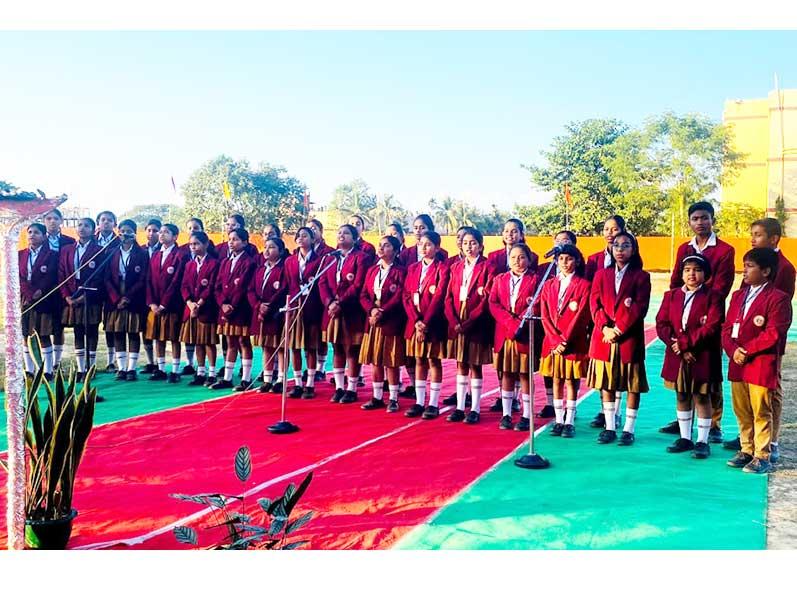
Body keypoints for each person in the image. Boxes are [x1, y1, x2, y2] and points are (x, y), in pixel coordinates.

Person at [661, 201, 735, 442]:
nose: (700, 222)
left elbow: (722, 286)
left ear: (712, 219)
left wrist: (701, 302)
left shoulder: (724, 250)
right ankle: (686, 422)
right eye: (695, 218)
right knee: (683, 381)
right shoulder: (684, 247)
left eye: (704, 218)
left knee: (708, 378)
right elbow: (675, 280)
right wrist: (680, 305)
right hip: (683, 319)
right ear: (690, 221)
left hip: (707, 317)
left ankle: (713, 424)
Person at [724, 218, 797, 460]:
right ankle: (747, 446)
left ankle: (767, 447)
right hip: (739, 354)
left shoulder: (783, 269)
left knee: (764, 402)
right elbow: (730, 324)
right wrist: (733, 349)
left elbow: (777, 322)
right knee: (743, 407)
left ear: (773, 238)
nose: (752, 238)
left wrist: (748, 348)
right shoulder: (740, 293)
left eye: (757, 234)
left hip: (763, 351)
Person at [656, 255, 724, 459]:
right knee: (682, 394)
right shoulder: (671, 296)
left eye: (696, 269)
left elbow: (711, 326)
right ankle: (685, 437)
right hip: (677, 356)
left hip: (701, 355)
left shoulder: (714, 297)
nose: (691, 274)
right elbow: (662, 324)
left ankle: (702, 440)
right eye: (687, 270)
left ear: (705, 274)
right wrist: (676, 346)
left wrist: (686, 345)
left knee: (701, 396)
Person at [587, 231, 651, 445]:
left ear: (634, 250)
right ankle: (610, 427)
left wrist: (619, 329)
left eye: (625, 245)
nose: (620, 250)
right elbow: (594, 305)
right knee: (607, 384)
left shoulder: (641, 276)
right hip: (603, 339)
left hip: (628, 339)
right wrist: (605, 328)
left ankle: (628, 429)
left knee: (632, 384)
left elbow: (640, 307)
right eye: (616, 245)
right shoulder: (600, 275)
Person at [539, 244, 591, 438]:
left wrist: (565, 341)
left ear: (576, 261)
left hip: (573, 343)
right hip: (552, 344)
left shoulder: (584, 285)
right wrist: (554, 340)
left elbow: (582, 316)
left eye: (569, 259)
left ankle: (569, 420)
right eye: (561, 259)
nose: (564, 263)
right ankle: (559, 420)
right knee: (556, 379)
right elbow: (544, 315)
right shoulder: (549, 284)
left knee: (571, 380)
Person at [443, 227, 494, 424]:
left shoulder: (488, 267)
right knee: (460, 364)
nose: (469, 247)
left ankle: (475, 408)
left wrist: (469, 321)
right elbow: (448, 297)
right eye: (465, 243)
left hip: (476, 322)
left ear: (481, 246)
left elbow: (486, 298)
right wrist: (454, 321)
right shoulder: (456, 267)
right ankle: (459, 406)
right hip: (456, 319)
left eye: (473, 243)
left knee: (475, 364)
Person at [488, 243, 539, 431]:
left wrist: (519, 323)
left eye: (522, 257)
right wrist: (510, 322)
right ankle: (507, 414)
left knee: (525, 374)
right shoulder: (500, 279)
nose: (517, 261)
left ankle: (526, 416)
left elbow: (537, 302)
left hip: (524, 334)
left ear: (529, 259)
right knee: (507, 373)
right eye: (513, 257)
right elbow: (493, 303)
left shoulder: (535, 280)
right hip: (504, 333)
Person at [402, 230, 450, 419]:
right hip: (414, 323)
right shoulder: (413, 268)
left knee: (433, 360)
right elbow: (406, 295)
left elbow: (439, 297)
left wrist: (426, 322)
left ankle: (433, 403)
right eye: (421, 243)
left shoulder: (442, 269)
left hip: (433, 323)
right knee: (419, 359)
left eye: (428, 244)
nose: (424, 247)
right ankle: (419, 401)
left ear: (437, 247)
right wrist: (416, 321)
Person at [319, 225, 370, 403]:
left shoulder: (361, 258)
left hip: (351, 311)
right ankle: (339, 387)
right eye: (339, 232)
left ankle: (352, 388)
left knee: (351, 349)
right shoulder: (330, 258)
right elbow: (322, 283)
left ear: (355, 238)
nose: (341, 235)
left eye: (346, 233)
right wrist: (330, 303)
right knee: (337, 348)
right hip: (333, 312)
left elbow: (358, 284)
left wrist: (340, 302)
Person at [359, 235, 408, 412]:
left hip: (390, 321)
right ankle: (377, 397)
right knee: (375, 361)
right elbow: (363, 294)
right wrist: (371, 310)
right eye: (380, 245)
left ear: (395, 251)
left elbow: (400, 295)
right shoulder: (372, 270)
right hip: (372, 321)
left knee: (391, 360)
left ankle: (394, 398)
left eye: (386, 246)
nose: (381, 248)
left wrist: (382, 311)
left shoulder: (401, 272)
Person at [535, 230, 578, 419]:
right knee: (550, 371)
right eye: (558, 241)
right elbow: (543, 308)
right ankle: (552, 405)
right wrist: (553, 338)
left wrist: (564, 339)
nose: (561, 244)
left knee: (569, 375)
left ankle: (570, 412)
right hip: (548, 332)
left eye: (566, 241)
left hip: (571, 335)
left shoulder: (581, 277)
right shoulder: (545, 272)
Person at [58, 217, 104, 382]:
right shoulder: (67, 249)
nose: (82, 228)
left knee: (91, 330)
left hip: (90, 297)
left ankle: (91, 367)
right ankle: (81, 368)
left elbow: (100, 277)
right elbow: (61, 274)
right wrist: (67, 296)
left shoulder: (99, 250)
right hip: (71, 296)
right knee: (78, 331)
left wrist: (84, 297)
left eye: (87, 226)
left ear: (93, 230)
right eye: (80, 225)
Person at [211, 228, 257, 391]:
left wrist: (232, 306)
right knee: (230, 341)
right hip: (225, 309)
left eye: (236, 239)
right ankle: (227, 378)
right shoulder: (225, 262)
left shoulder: (249, 262)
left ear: (245, 242)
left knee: (243, 342)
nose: (231, 242)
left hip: (241, 309)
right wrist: (223, 304)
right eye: (230, 239)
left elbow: (244, 287)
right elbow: (216, 286)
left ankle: (246, 378)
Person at [103, 219, 149, 381]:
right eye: (122, 231)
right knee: (118, 332)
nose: (124, 234)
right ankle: (121, 368)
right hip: (114, 298)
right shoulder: (111, 251)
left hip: (133, 298)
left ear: (135, 233)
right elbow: (106, 278)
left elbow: (143, 278)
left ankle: (131, 368)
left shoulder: (142, 253)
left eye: (128, 231)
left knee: (133, 333)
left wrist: (127, 297)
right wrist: (116, 298)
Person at [284, 227, 324, 398]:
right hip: (294, 307)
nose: (301, 238)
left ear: (313, 239)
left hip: (312, 307)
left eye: (305, 235)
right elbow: (288, 284)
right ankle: (298, 383)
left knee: (310, 347)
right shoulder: (290, 261)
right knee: (294, 346)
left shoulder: (320, 261)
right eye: (298, 236)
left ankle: (310, 384)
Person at [145, 223, 188, 383]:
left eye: (166, 232)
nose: (161, 235)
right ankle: (161, 369)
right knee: (158, 337)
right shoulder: (155, 255)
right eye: (160, 232)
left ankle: (175, 370)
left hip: (172, 306)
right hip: (155, 306)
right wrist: (152, 304)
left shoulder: (181, 255)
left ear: (175, 236)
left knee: (174, 338)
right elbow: (148, 279)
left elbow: (177, 282)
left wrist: (164, 304)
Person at [180, 231, 221, 387]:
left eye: (196, 244)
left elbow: (211, 286)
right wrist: (190, 303)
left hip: (207, 309)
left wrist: (200, 303)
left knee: (208, 342)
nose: (193, 247)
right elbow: (183, 286)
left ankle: (211, 373)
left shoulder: (214, 263)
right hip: (191, 309)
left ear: (206, 244)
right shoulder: (189, 264)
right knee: (197, 341)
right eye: (191, 244)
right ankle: (200, 372)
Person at [19, 223, 59, 379]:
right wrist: (29, 294)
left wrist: (39, 291)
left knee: (43, 334)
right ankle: (30, 370)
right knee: (25, 334)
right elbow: (19, 277)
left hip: (44, 299)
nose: (32, 235)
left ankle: (48, 370)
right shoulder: (20, 254)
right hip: (25, 299)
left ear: (43, 236)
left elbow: (51, 276)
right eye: (30, 232)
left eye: (36, 232)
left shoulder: (52, 255)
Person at [249, 237, 288, 393]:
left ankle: (280, 379)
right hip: (260, 313)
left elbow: (283, 289)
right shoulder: (260, 269)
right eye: (265, 247)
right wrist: (258, 306)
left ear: (280, 251)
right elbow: (250, 290)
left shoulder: (283, 269)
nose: (267, 250)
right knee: (266, 346)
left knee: (280, 346)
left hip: (276, 313)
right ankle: (267, 379)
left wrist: (269, 306)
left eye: (272, 247)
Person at [43, 208, 75, 370]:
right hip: (43, 290)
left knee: (59, 325)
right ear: (44, 221)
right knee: (44, 325)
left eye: (55, 218)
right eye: (48, 218)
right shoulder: (40, 240)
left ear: (61, 220)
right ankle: (44, 361)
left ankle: (56, 361)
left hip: (64, 288)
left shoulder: (69, 241)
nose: (52, 221)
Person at [307, 218, 333, 383]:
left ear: (321, 231)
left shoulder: (329, 251)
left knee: (321, 335)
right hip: (306, 300)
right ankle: (309, 368)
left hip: (322, 299)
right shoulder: (300, 251)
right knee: (309, 336)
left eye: (315, 228)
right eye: (309, 228)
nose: (312, 231)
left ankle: (321, 368)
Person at [95, 210, 121, 372]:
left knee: (112, 325)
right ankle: (92, 361)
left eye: (110, 220)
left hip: (115, 289)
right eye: (103, 220)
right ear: (98, 223)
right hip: (95, 288)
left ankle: (112, 361)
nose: (106, 222)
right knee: (98, 324)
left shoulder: (120, 241)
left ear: (115, 224)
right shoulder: (91, 241)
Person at [141, 218, 162, 375]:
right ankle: (150, 361)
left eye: (155, 230)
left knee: (158, 331)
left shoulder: (164, 250)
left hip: (159, 296)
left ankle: (160, 363)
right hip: (142, 295)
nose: (151, 233)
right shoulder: (140, 250)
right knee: (145, 329)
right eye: (149, 230)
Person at [585, 215, 626, 282]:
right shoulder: (593, 259)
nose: (609, 232)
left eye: (614, 229)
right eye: (606, 229)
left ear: (623, 230)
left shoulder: (629, 257)